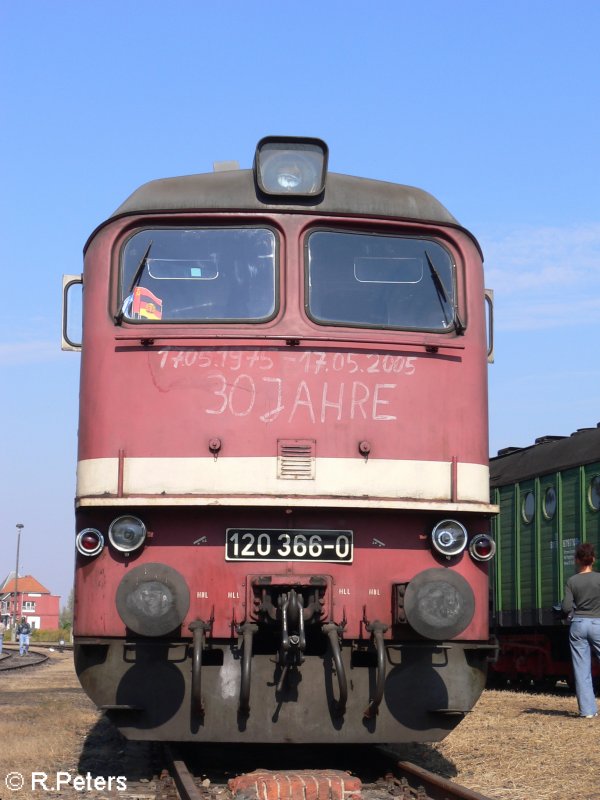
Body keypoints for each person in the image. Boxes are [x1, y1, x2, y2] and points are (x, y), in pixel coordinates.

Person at [561, 542, 600, 718]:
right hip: (597, 623)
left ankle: (588, 711)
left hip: (578, 625)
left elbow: (566, 606)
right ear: (593, 559)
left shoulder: (572, 581)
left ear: (577, 560)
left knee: (582, 669)